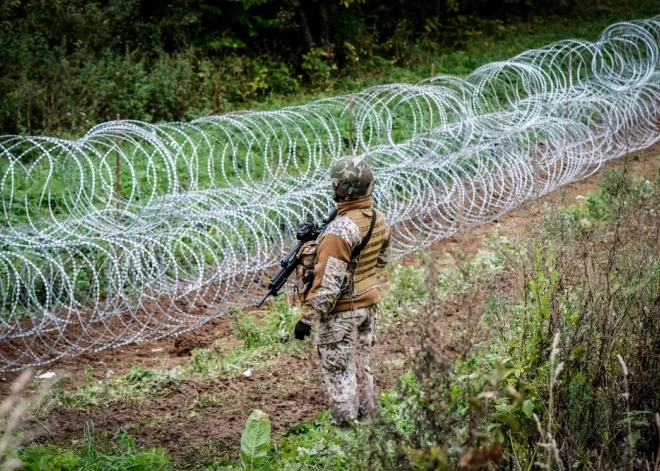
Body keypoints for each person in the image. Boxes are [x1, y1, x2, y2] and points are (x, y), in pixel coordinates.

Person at [293, 155, 392, 426]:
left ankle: (347, 433)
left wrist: (306, 320)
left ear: (338, 189)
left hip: (340, 315)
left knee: (339, 374)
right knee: (362, 367)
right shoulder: (379, 219)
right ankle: (369, 422)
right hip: (367, 309)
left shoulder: (340, 230)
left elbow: (327, 287)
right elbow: (382, 261)